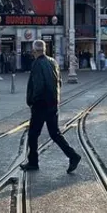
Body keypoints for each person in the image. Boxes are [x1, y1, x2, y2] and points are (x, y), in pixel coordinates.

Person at [20, 39, 81, 173]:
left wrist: (32, 101)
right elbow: (59, 82)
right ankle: (73, 156)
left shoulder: (37, 64)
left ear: (35, 51)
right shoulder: (53, 62)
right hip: (53, 104)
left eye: (33, 51)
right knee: (55, 133)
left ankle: (33, 162)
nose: (32, 53)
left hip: (40, 105)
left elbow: (38, 85)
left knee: (33, 135)